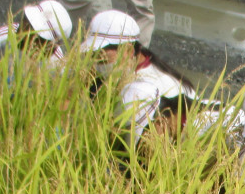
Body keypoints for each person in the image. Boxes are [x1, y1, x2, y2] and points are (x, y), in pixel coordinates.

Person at [81, 9, 196, 141]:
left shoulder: (146, 90)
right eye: (91, 54)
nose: (95, 63)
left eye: (101, 57)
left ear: (128, 50)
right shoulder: (131, 68)